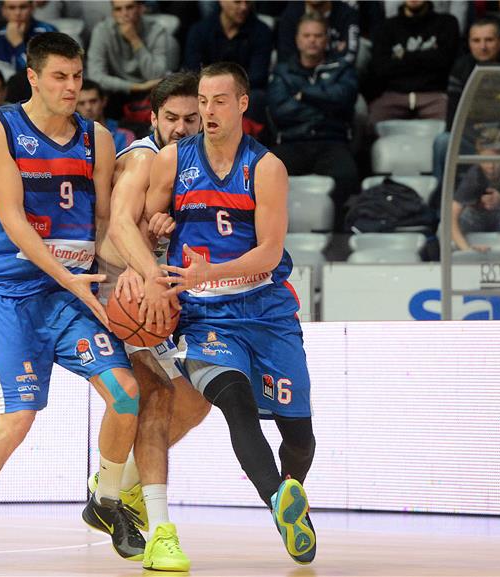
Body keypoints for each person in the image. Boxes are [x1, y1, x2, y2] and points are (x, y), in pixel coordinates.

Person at [0, 32, 144, 574]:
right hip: (9, 290)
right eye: (59, 77)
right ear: (33, 78)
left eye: (78, 76)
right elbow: (13, 223)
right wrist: (76, 279)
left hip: (71, 291)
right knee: (17, 419)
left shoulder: (97, 139)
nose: (71, 87)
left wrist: (129, 275)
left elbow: (106, 222)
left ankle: (106, 500)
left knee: (126, 394)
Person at [143, 62, 317, 565]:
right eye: (202, 101)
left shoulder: (266, 168)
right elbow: (152, 224)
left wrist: (209, 272)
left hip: (265, 309)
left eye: (219, 101)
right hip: (204, 316)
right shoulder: (174, 160)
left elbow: (268, 253)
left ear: (242, 104)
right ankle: (277, 505)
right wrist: (156, 229)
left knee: (300, 436)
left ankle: (291, 493)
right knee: (236, 405)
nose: (208, 110)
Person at [95, 71, 211, 571]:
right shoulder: (143, 157)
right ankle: (144, 517)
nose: (182, 127)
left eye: (192, 118)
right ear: (154, 118)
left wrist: (163, 229)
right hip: (117, 288)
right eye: (172, 118)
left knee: (199, 395)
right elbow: (118, 225)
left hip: (152, 292)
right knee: (154, 395)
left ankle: (118, 491)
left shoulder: (198, 162)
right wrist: (148, 272)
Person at [268, 12, 358, 229]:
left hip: (331, 140)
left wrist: (304, 95)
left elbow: (344, 101)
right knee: (264, 176)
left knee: (347, 175)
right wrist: (323, 106)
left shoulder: (342, 68)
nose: (312, 40)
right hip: (292, 140)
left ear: (327, 40)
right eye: (307, 35)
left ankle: (336, 232)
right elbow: (280, 110)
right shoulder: (283, 71)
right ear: (298, 40)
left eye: (318, 36)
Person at [433, 17, 500, 188]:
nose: (483, 47)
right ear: (469, 43)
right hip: (473, 139)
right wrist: (480, 144)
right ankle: (440, 203)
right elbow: (453, 121)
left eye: (489, 40)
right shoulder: (461, 68)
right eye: (476, 40)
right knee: (443, 141)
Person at [367, 0, 459, 128]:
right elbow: (381, 68)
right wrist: (429, 56)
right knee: (370, 126)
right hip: (394, 96)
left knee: (453, 128)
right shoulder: (385, 27)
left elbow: (445, 62)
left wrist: (402, 56)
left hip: (434, 96)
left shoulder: (447, 23)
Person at [183, 0, 273, 123]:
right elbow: (193, 70)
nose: (243, 7)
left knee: (257, 97)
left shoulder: (262, 32)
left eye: (248, 2)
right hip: (205, 89)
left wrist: (226, 92)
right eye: (237, 2)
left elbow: (258, 75)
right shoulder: (199, 31)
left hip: (243, 91)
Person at [86, 0, 178, 118]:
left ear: (140, 8)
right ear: (113, 13)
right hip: (117, 92)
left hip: (150, 90)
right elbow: (96, 76)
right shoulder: (102, 31)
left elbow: (156, 74)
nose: (124, 13)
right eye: (118, 9)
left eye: (129, 7)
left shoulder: (156, 30)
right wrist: (135, 87)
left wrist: (134, 40)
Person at [0, 0, 57, 80]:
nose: (17, 13)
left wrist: (18, 45)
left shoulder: (47, 32)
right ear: (4, 11)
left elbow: (39, 73)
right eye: (12, 8)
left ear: (32, 8)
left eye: (23, 7)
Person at [276, 0, 360, 64]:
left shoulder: (347, 13)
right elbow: (286, 58)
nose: (312, 40)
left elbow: (350, 57)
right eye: (306, 35)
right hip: (299, 76)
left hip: (336, 76)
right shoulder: (290, 14)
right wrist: (335, 53)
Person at [76, 79, 135, 153]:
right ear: (75, 106)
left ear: (104, 101)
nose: (88, 107)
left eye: (93, 101)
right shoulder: (70, 137)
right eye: (81, 103)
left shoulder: (124, 134)